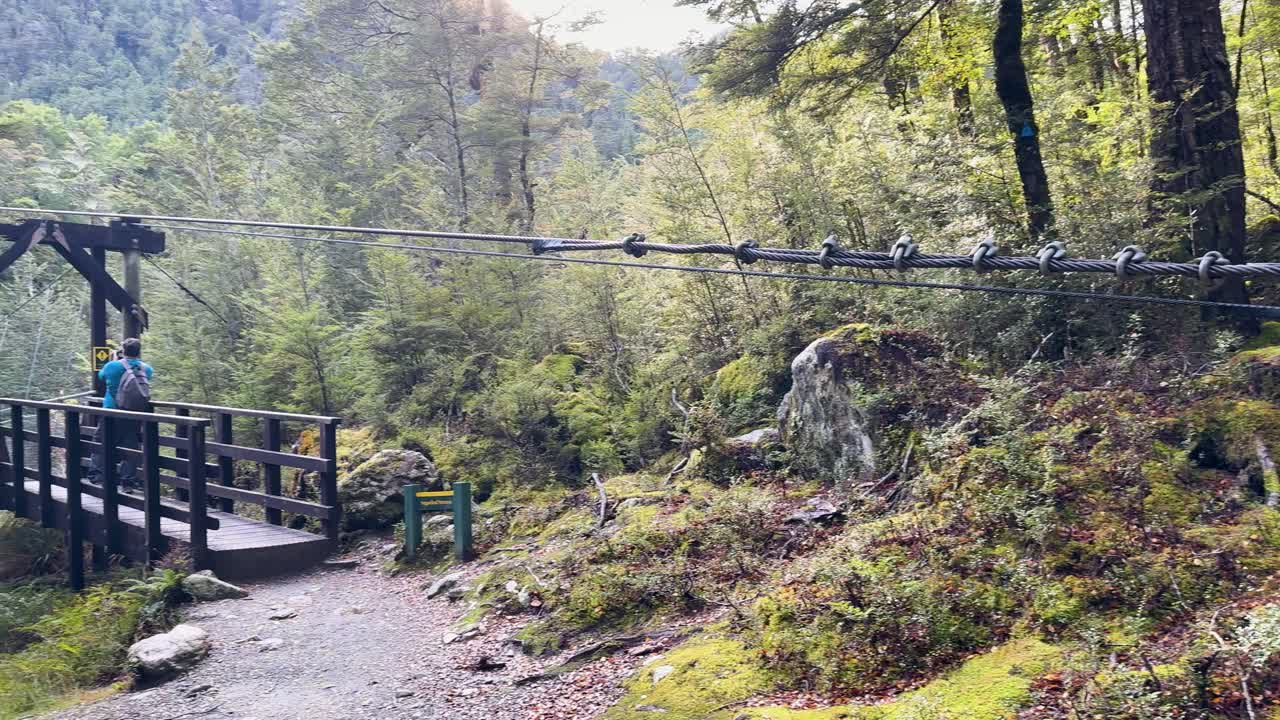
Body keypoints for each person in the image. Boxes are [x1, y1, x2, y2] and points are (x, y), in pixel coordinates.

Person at [88, 338, 153, 488]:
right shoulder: (146, 369)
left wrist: (115, 360)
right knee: (130, 445)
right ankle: (127, 480)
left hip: (111, 411)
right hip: (134, 413)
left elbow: (101, 377)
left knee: (101, 441)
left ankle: (98, 476)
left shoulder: (112, 366)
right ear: (139, 351)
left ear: (123, 351)